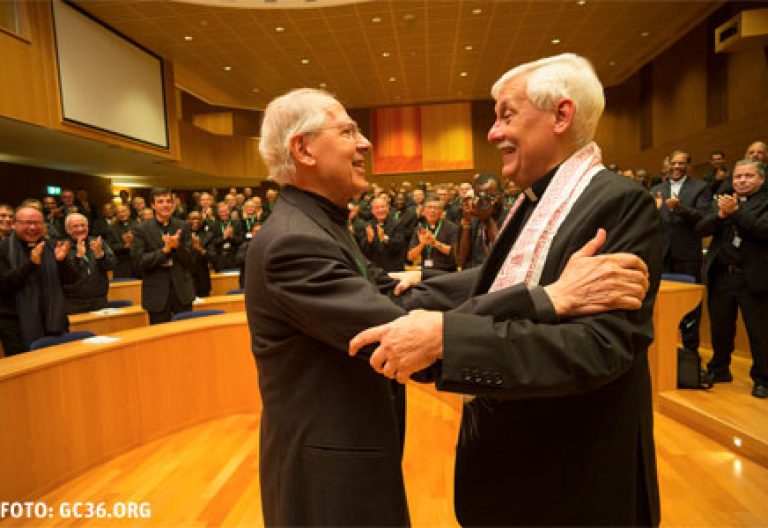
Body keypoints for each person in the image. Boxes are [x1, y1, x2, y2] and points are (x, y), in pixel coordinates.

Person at [247, 87, 651, 527]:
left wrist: (509, 279)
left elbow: (397, 295)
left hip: (346, 455)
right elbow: (401, 329)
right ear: (303, 148)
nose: (364, 143)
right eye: (348, 131)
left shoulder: (318, 222)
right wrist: (547, 295)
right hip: (327, 473)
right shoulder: (295, 240)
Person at [351, 53, 662, 526]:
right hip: (514, 469)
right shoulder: (534, 197)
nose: (493, 133)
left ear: (561, 114)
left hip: (571, 479)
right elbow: (495, 279)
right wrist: (420, 282)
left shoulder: (618, 202)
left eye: (506, 116)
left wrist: (447, 338)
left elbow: (600, 346)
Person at [697, 160, 768, 398]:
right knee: (720, 328)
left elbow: (762, 230)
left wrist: (736, 213)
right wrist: (720, 215)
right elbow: (701, 228)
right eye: (738, 177)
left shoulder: (764, 202)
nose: (742, 181)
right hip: (722, 277)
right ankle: (719, 369)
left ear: (761, 179)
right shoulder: (724, 200)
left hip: (754, 278)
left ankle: (763, 379)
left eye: (748, 176)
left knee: (759, 332)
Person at [651, 150, 711, 355]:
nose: (676, 167)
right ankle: (664, 352)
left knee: (691, 305)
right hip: (662, 255)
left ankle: (690, 353)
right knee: (661, 304)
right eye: (673, 163)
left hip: (687, 254)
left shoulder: (700, 187)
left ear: (689, 166)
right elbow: (650, 223)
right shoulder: (657, 189)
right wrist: (653, 211)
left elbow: (703, 218)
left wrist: (680, 208)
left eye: (681, 163)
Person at [0, 206, 77, 355]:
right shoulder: (3, 248)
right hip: (16, 325)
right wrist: (31, 265)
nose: (33, 227)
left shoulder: (52, 245)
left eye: (38, 223)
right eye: (27, 223)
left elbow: (72, 280)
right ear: (14, 224)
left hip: (53, 320)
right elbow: (3, 284)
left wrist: (62, 262)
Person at [131, 188, 196, 324]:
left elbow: (191, 260)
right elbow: (140, 262)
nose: (165, 205)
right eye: (160, 202)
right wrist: (165, 251)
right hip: (156, 294)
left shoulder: (182, 226)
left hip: (182, 292)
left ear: (173, 204)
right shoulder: (141, 229)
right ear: (153, 205)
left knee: (187, 336)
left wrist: (177, 247)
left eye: (168, 201)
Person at [62, 213, 116, 314]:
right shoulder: (62, 247)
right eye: (75, 226)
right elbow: (66, 274)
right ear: (67, 230)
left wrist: (100, 255)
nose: (80, 229)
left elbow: (111, 265)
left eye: (83, 225)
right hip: (73, 302)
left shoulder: (98, 242)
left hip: (99, 300)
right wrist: (78, 257)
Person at [456, 172, 508, 269]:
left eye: (491, 195)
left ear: (500, 194)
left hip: (498, 272)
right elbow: (461, 260)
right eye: (481, 196)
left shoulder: (510, 216)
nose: (486, 200)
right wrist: (467, 223)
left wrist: (487, 220)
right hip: (475, 273)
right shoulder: (475, 216)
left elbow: (506, 257)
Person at [406, 195, 458, 271]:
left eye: (436, 208)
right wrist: (422, 244)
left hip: (446, 272)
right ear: (424, 211)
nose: (432, 211)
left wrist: (434, 243)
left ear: (442, 211)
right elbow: (410, 257)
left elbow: (455, 254)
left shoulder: (452, 227)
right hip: (426, 271)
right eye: (429, 207)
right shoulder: (420, 228)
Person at [357, 195, 406, 272]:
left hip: (394, 268)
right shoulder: (367, 226)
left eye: (383, 207)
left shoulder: (397, 223)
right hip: (374, 270)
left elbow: (399, 245)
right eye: (377, 208)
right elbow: (363, 250)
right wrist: (369, 240)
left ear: (388, 208)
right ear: (372, 211)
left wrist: (384, 238)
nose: (380, 210)